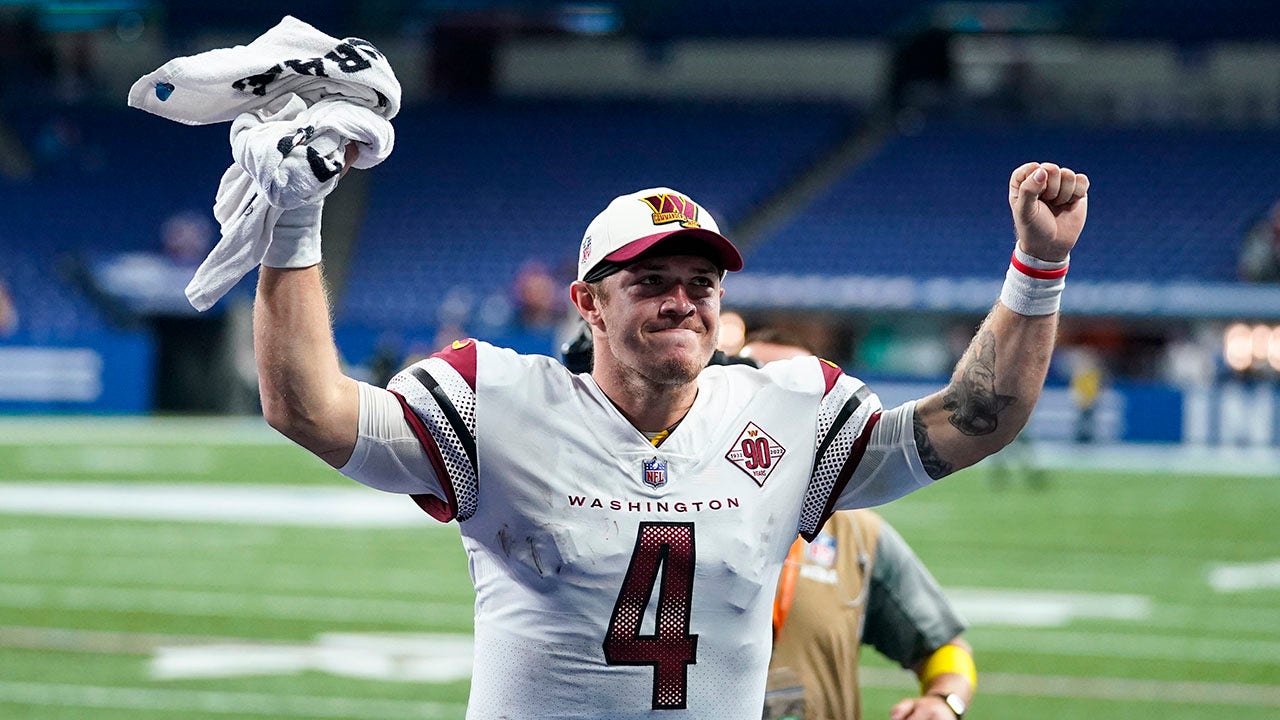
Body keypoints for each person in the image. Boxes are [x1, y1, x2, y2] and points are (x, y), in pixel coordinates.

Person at [253, 157, 1087, 717]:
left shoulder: (786, 409)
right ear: (589, 304)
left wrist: (1039, 268)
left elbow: (978, 419)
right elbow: (308, 408)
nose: (681, 302)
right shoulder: (500, 401)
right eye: (650, 282)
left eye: (701, 283)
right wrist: (293, 219)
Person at [741, 333, 974, 720]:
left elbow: (943, 647)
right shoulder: (681, 516)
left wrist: (945, 701)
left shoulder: (861, 537)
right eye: (756, 383)